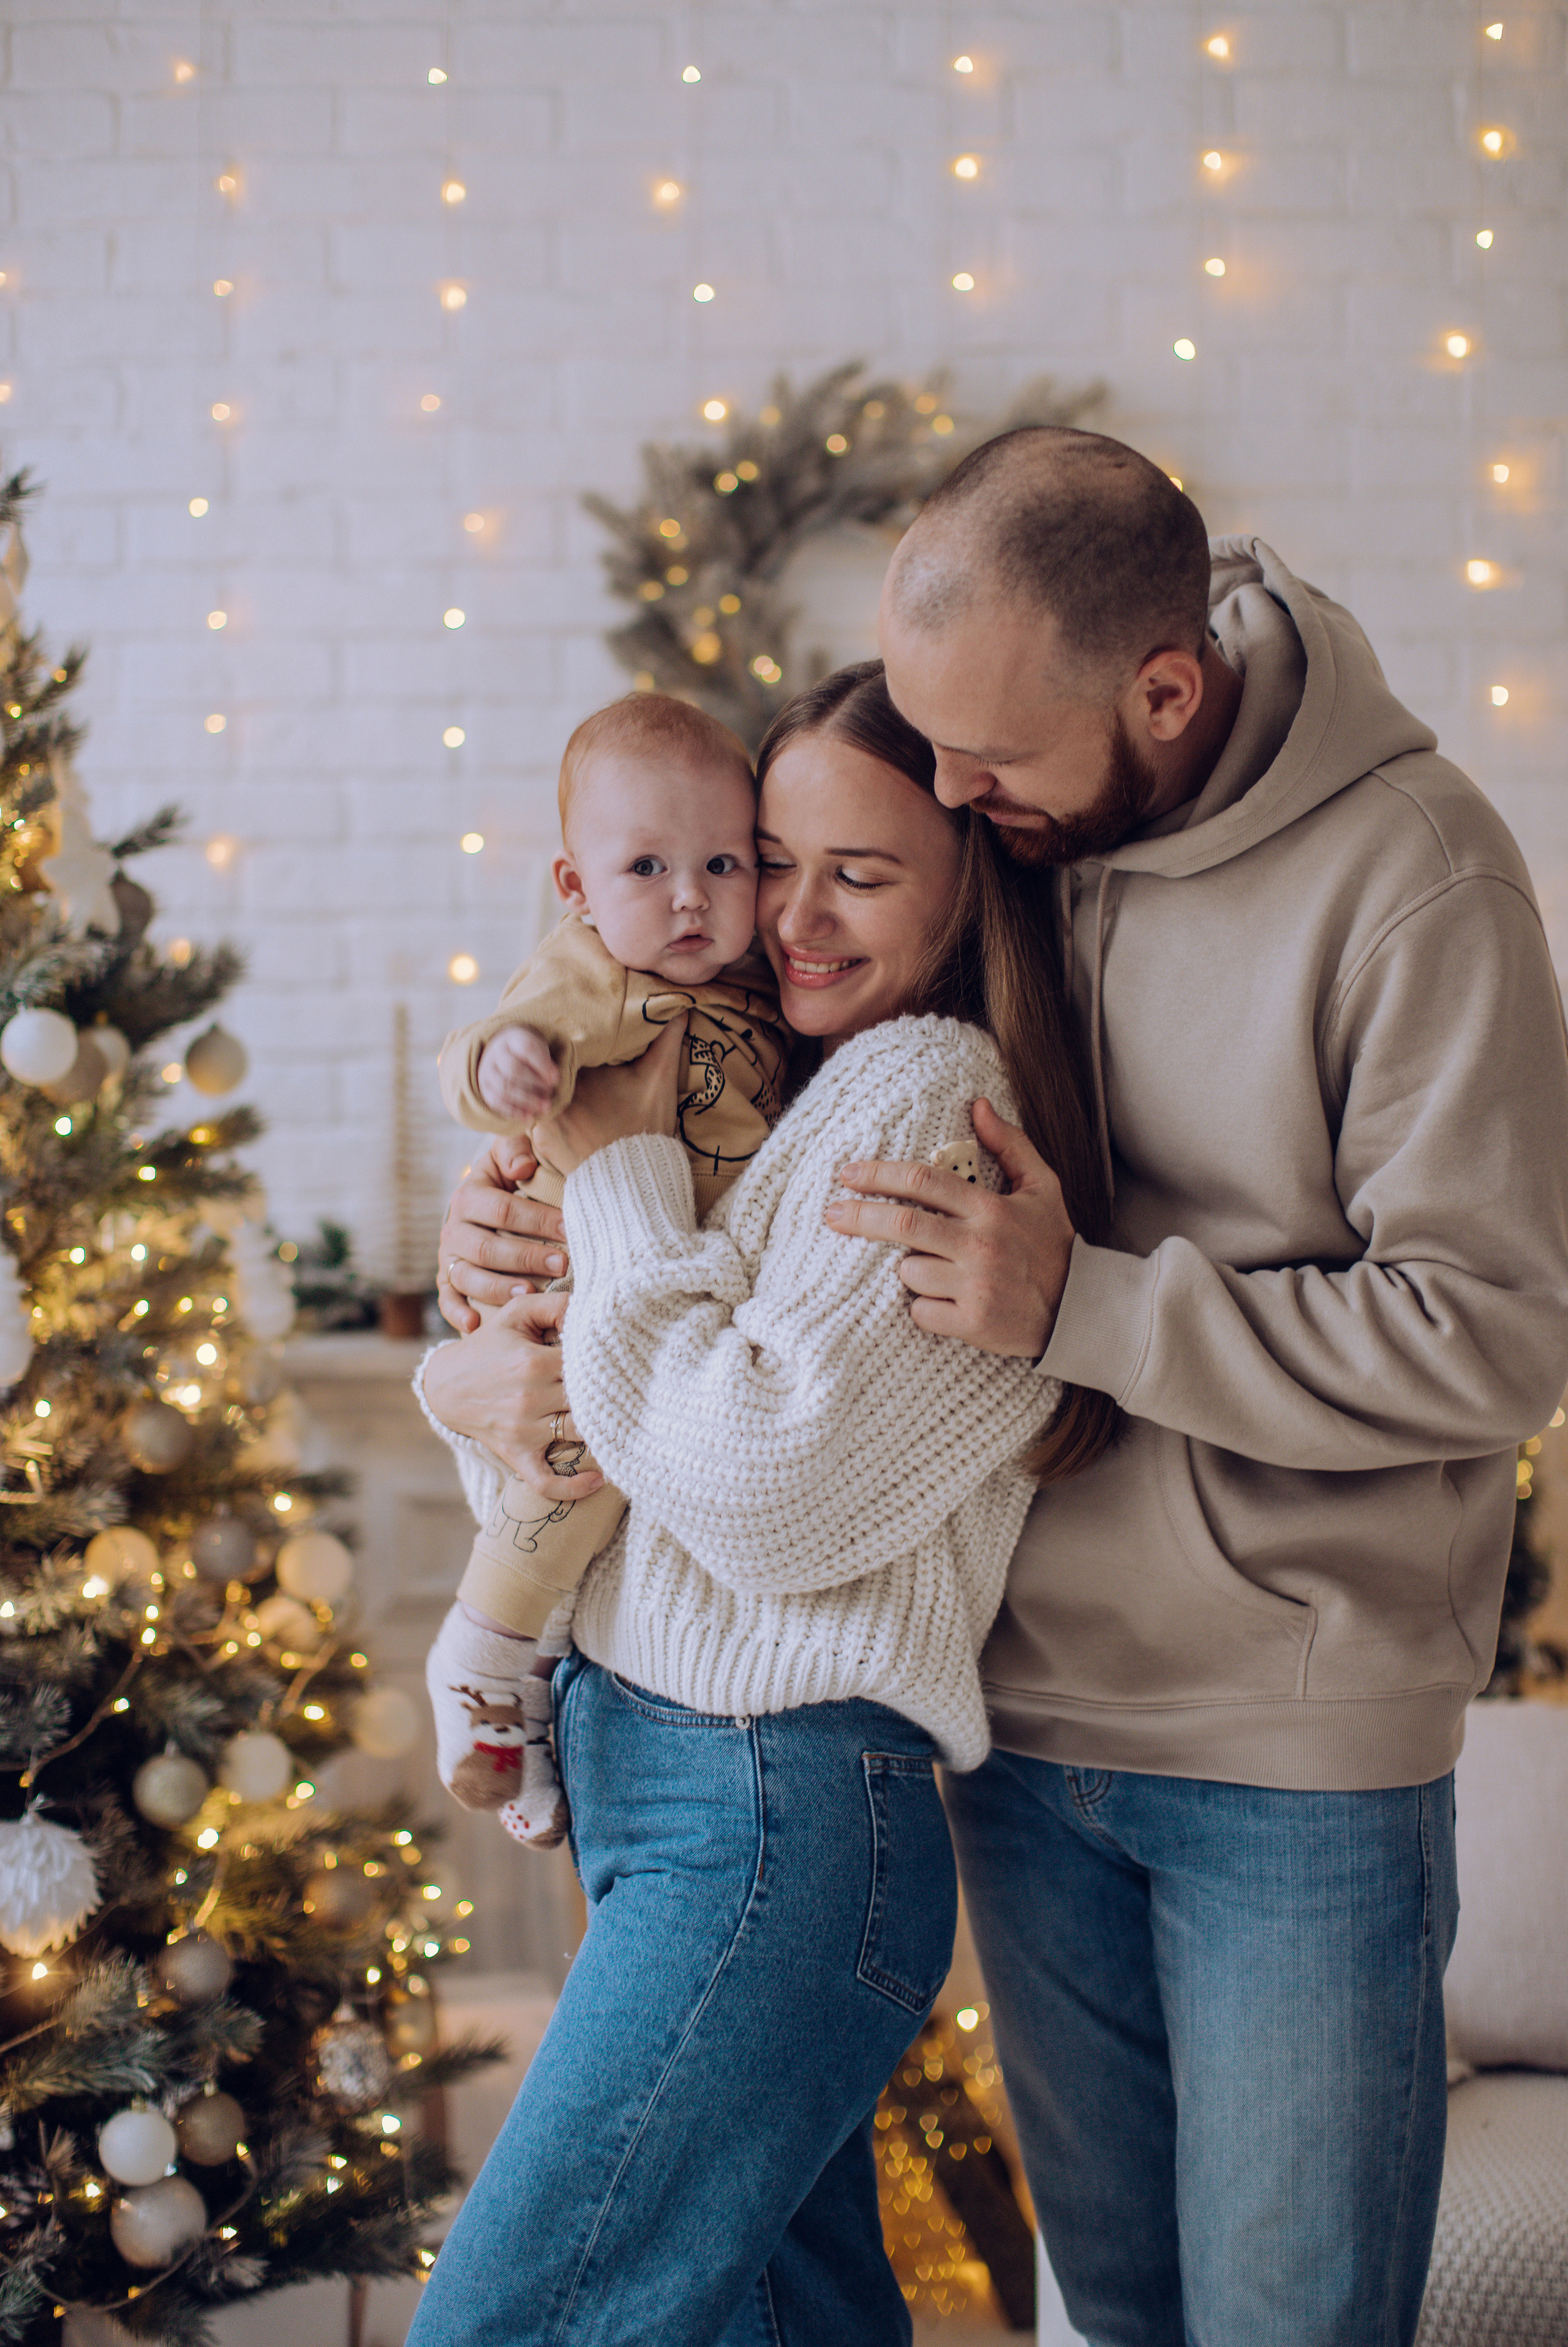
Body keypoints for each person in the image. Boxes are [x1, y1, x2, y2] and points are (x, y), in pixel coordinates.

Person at [439, 429, 1568, 2347]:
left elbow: (1496, 1331)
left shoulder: (1410, 877)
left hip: (1287, 1742)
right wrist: (495, 1317)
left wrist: (1093, 1309)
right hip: (1025, 1737)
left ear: (1161, 691)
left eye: (978, 773)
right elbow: (704, 1258)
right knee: (1109, 2318)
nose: (955, 790)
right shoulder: (1018, 855)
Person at [410, 665, 1114, 2346]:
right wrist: (475, 1362)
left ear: (970, 886)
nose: (779, 916)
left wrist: (616, 1173)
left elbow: (753, 1493)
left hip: (771, 1813)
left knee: (508, 2322)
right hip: (687, 1794)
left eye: (854, 875)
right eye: (764, 857)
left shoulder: (932, 1100)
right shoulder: (769, 1086)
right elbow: (609, 1454)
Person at [426, 691, 788, 1842]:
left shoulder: (764, 985)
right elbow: (474, 1056)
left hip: (671, 1281)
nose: (692, 897)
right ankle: (481, 1654)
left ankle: (521, 1700)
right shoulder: (592, 973)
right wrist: (513, 1065)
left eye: (725, 862)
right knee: (583, 1467)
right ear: (576, 888)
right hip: (586, 1281)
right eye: (648, 867)